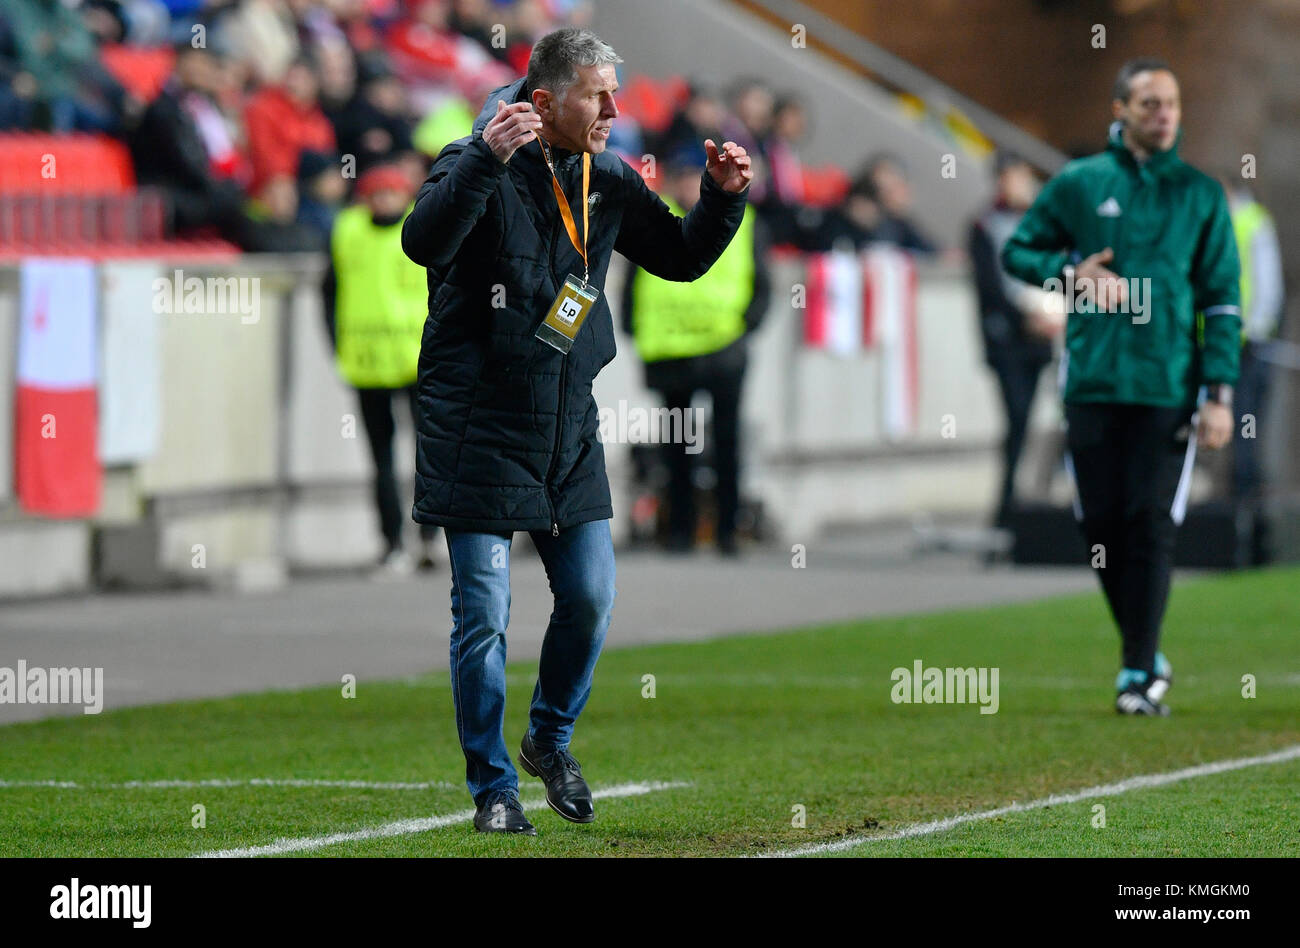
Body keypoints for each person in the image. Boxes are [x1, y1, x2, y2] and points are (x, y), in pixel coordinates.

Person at [401, 27, 751, 835]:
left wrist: (723, 199)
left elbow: (681, 257)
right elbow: (424, 241)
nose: (616, 109)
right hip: (478, 428)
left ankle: (548, 740)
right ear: (547, 100)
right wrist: (486, 160)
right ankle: (493, 787)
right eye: (600, 94)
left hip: (567, 429)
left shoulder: (610, 177)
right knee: (483, 614)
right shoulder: (472, 157)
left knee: (590, 599)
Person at [1002, 58, 1241, 716]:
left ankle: (1137, 671)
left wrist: (1219, 394)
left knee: (1150, 521)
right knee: (1101, 523)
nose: (1164, 114)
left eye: (1172, 103)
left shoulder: (1200, 193)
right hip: (1093, 379)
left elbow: (1222, 300)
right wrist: (1068, 270)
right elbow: (1017, 251)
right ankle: (1143, 652)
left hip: (1168, 382)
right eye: (1149, 104)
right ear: (1121, 111)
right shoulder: (1080, 184)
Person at [620, 151, 770, 555]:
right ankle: (680, 532)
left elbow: (762, 280)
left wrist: (745, 327)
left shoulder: (745, 219)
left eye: (694, 177)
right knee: (678, 446)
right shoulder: (657, 215)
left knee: (726, 443)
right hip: (671, 351)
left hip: (724, 348)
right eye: (683, 177)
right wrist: (634, 329)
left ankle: (726, 532)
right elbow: (634, 280)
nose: (688, 185)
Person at [324, 163, 441, 575]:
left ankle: (427, 538)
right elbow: (331, 291)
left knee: (428, 453)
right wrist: (336, 345)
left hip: (416, 360)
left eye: (391, 193)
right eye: (376, 194)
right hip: (368, 361)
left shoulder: (422, 227)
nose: (383, 201)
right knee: (381, 460)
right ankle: (392, 542)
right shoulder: (347, 232)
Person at [969, 151, 1063, 531]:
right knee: (1017, 415)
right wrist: (1026, 317)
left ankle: (1018, 501)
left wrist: (1051, 313)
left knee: (1029, 418)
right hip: (1007, 339)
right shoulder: (984, 225)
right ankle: (1007, 502)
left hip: (1037, 339)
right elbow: (989, 285)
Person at [1217, 173, 1285, 514]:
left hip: (1246, 345)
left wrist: (1255, 331)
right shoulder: (1218, 226)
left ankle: (1245, 499)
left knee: (1246, 420)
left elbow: (1267, 283)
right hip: (1219, 343)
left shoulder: (1252, 222)